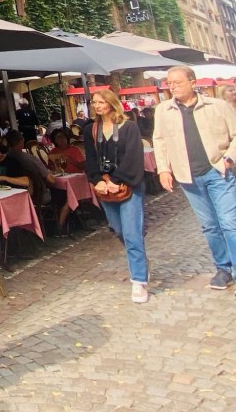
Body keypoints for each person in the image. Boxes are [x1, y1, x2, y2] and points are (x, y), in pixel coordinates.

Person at [153, 65, 236, 291]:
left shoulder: (217, 106)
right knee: (209, 226)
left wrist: (228, 158)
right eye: (169, 83)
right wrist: (163, 169)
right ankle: (223, 269)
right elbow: (159, 141)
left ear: (192, 82)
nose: (173, 87)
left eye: (177, 82)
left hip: (217, 172)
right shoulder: (163, 111)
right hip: (188, 177)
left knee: (229, 222)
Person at [83, 88, 150, 302]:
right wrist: (97, 180)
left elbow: (133, 157)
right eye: (94, 102)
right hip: (105, 187)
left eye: (101, 102)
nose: (97, 106)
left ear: (111, 103)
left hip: (127, 184)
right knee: (119, 229)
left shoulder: (129, 127)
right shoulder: (91, 130)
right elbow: (90, 158)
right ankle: (140, 260)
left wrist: (116, 180)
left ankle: (139, 280)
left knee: (132, 233)